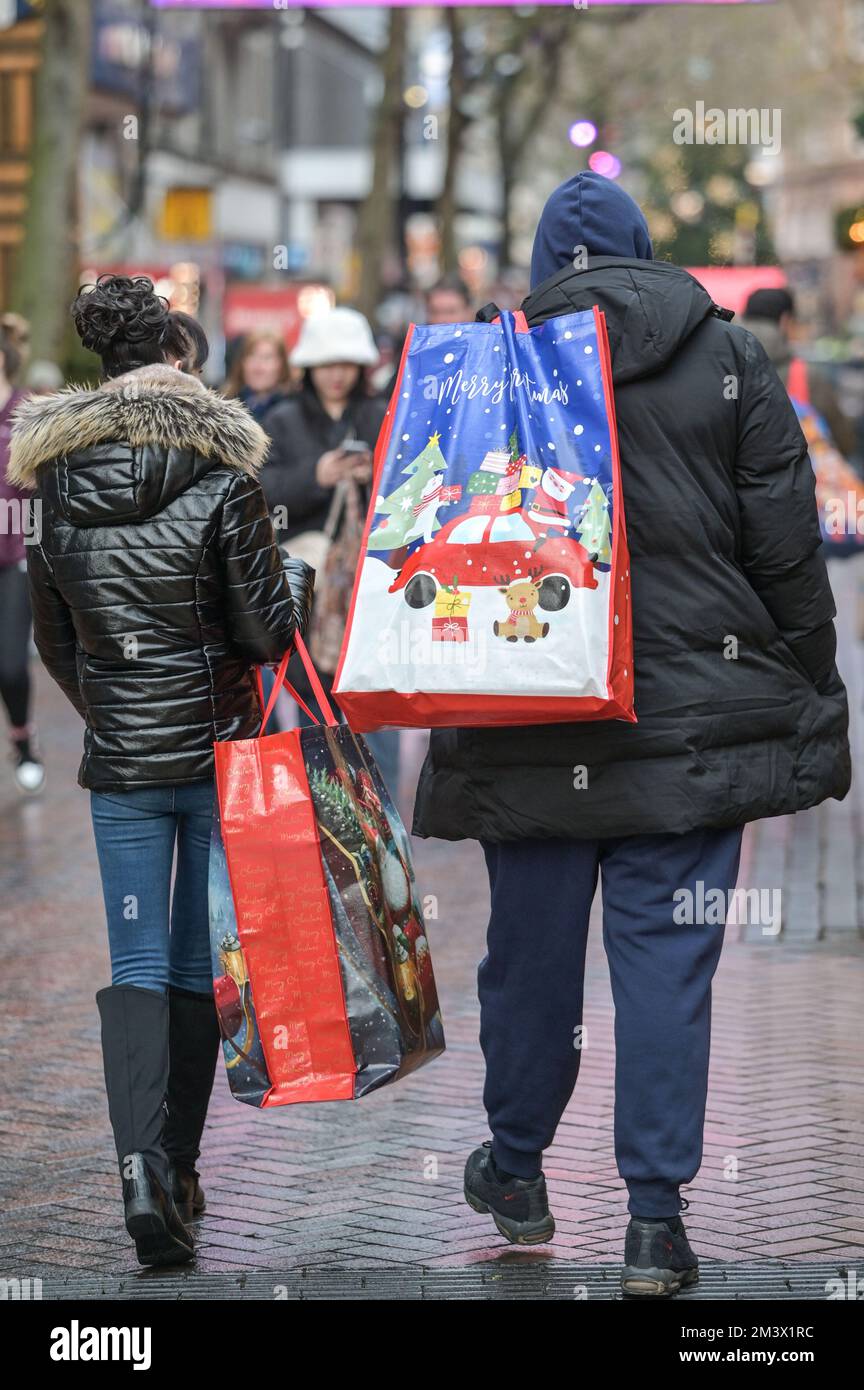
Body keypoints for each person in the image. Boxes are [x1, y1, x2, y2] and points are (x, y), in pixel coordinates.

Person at [412, 171, 851, 1298]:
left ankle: (516, 1169)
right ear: (648, 250)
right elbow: (788, 547)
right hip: (693, 723)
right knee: (668, 970)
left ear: (544, 262)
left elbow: (434, 530)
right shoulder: (732, 358)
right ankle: (656, 1221)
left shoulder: (493, 362)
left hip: (530, 707)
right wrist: (812, 678)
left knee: (530, 966)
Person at [8, 274, 314, 1268]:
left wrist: (113, 709)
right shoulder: (227, 478)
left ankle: (142, 1167)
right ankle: (175, 1168)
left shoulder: (56, 486)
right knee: (191, 965)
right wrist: (294, 577)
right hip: (214, 749)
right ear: (177, 364)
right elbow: (265, 631)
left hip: (126, 759)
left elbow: (54, 638)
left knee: (135, 962)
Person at [263, 307, 401, 795]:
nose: (337, 374)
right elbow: (258, 491)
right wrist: (314, 478)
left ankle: (378, 806)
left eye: (346, 362)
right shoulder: (281, 419)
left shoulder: (383, 412)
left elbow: (415, 484)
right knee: (307, 694)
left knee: (371, 695)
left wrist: (377, 476)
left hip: (371, 585)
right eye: (327, 363)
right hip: (307, 584)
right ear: (309, 367)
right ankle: (319, 803)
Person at [0, 329, 44, 792]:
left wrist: (35, 548)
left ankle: (23, 738)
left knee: (10, 665)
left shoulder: (26, 412)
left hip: (14, 559)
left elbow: (40, 490)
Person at [739, 287, 857, 458]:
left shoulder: (723, 367)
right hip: (796, 481)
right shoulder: (807, 376)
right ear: (785, 321)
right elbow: (843, 440)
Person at [223, 328, 292, 424]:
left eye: (267, 357)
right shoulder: (224, 408)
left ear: (282, 364)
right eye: (252, 356)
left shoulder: (295, 411)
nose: (258, 365)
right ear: (242, 363)